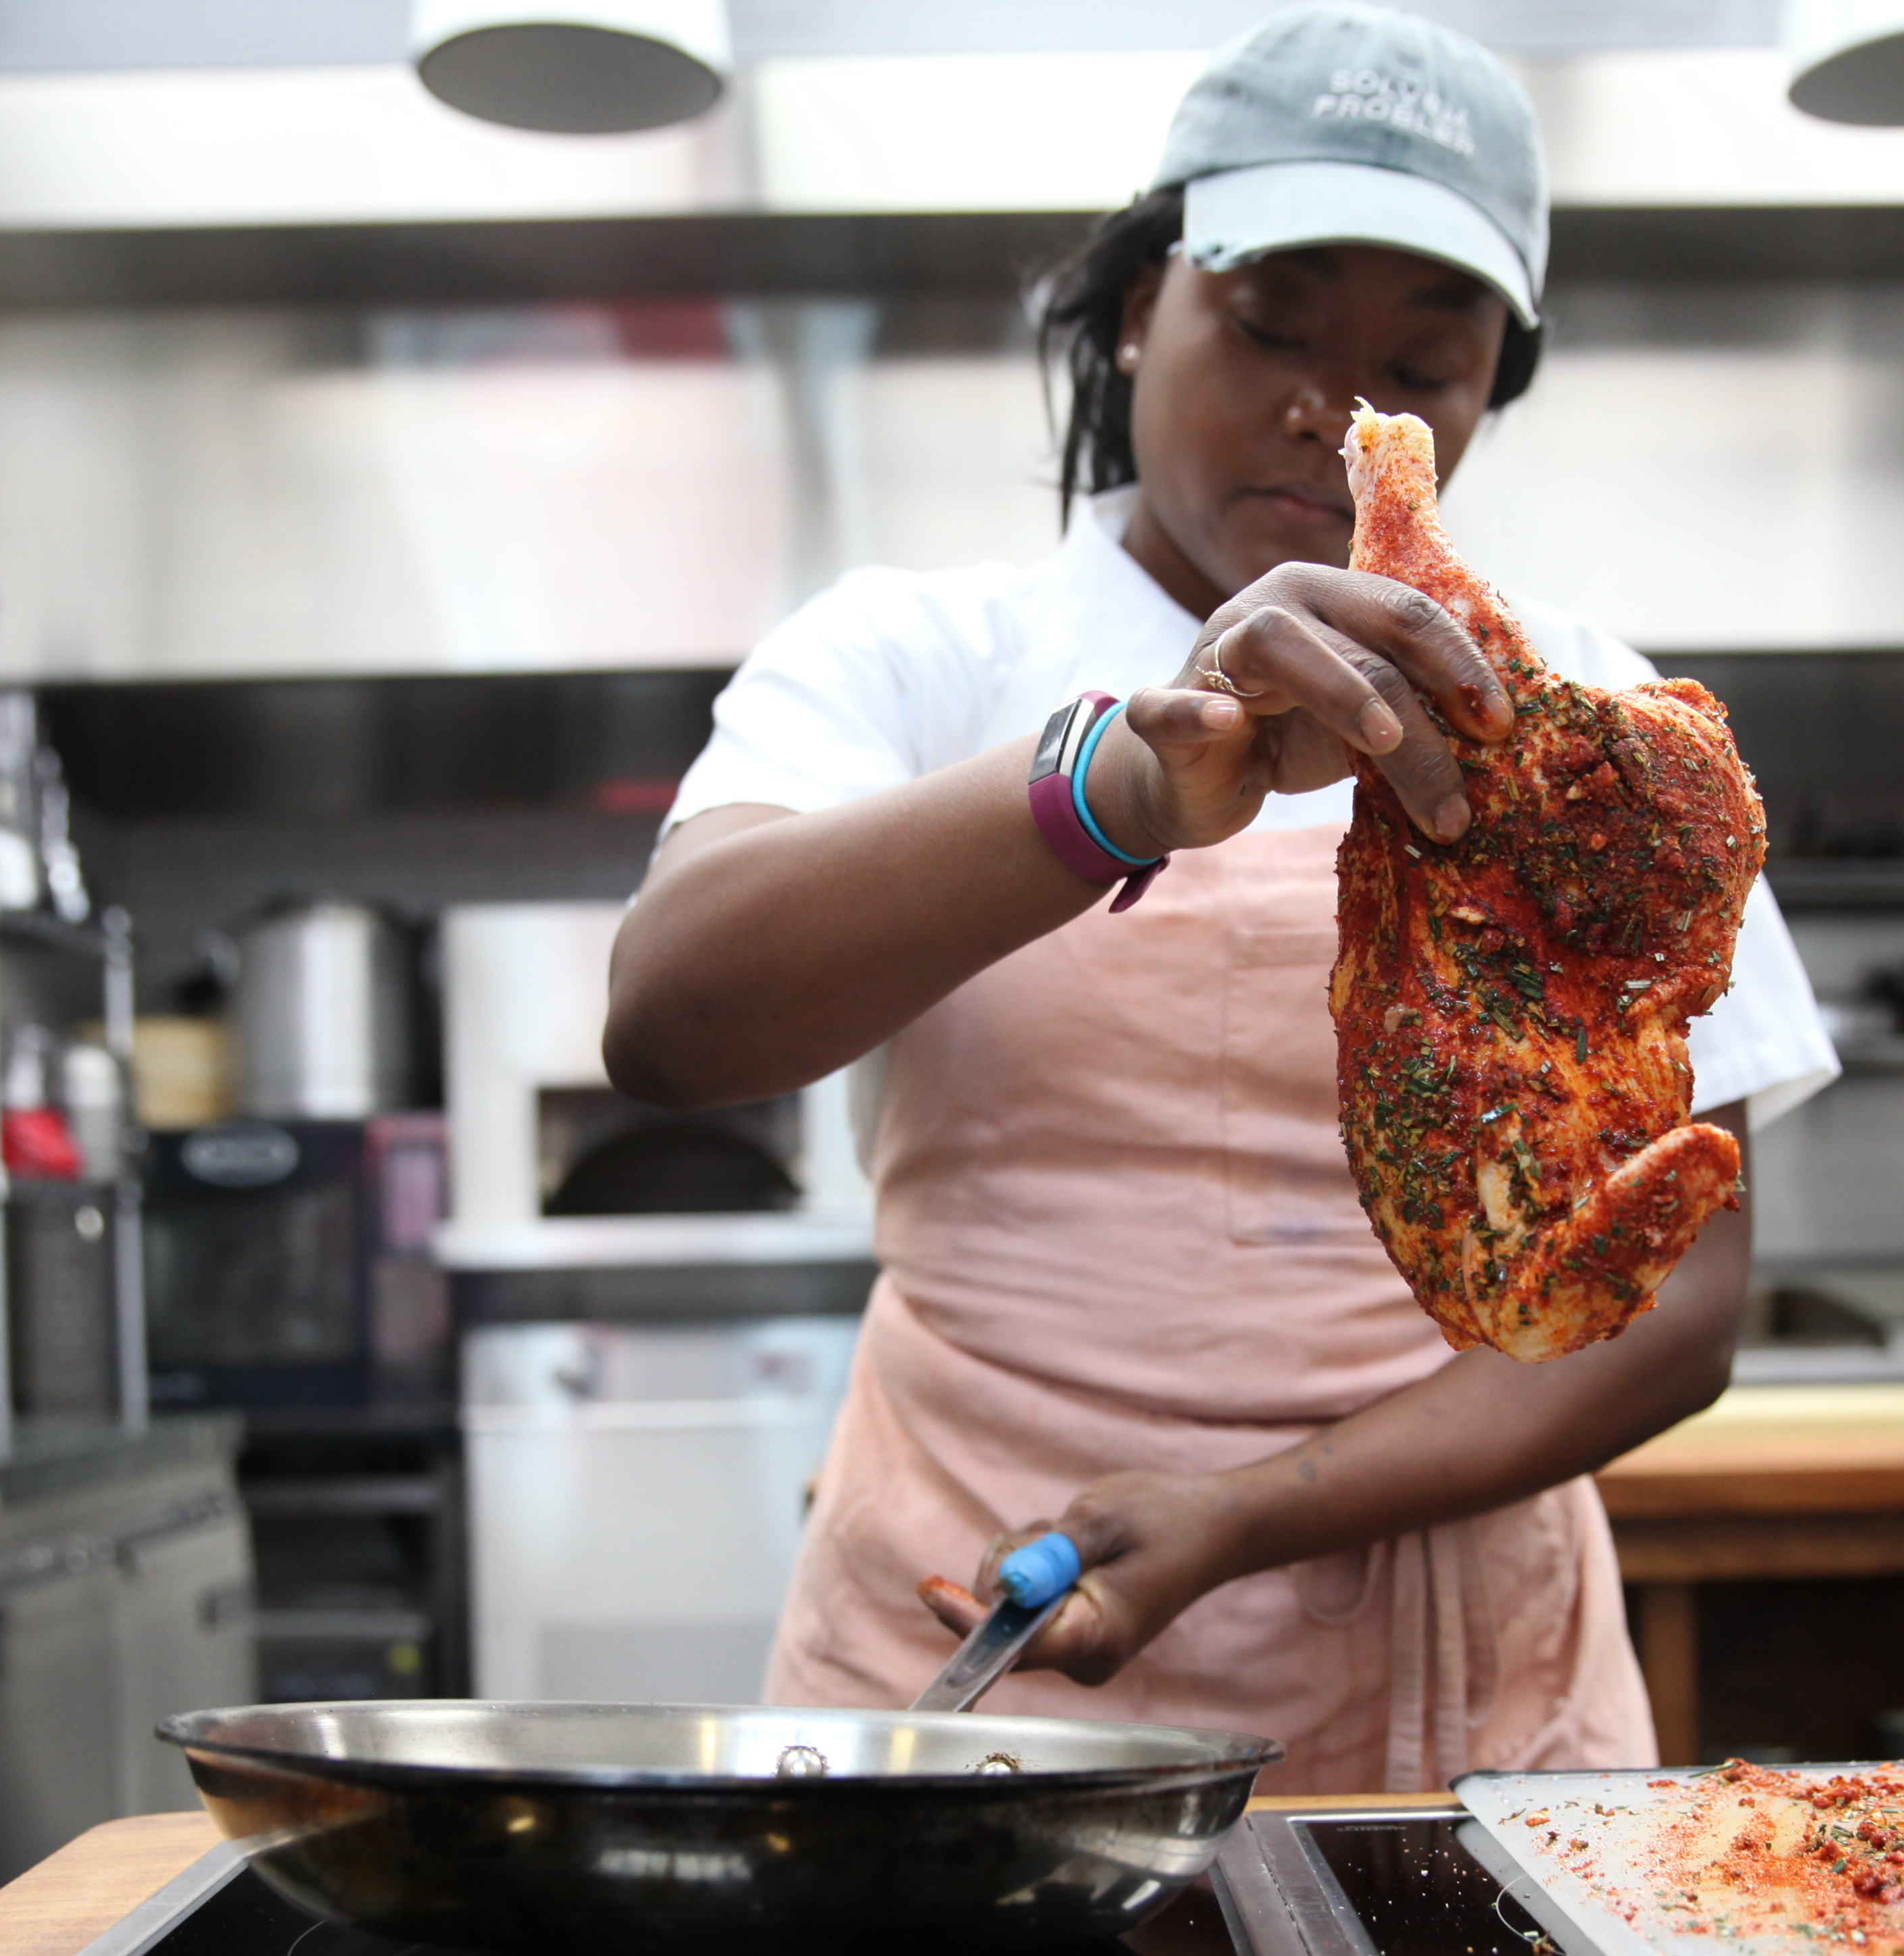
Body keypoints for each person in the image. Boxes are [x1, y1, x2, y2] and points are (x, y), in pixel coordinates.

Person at [606, 3, 1838, 1792]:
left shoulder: (1596, 727)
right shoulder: (926, 656)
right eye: (1269, 323)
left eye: (1425, 364)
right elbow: (672, 1020)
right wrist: (1112, 783)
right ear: (1137, 307)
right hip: (991, 1668)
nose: (1331, 408)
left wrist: (1251, 1513)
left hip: (1469, 1727)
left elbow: (1682, 1298)